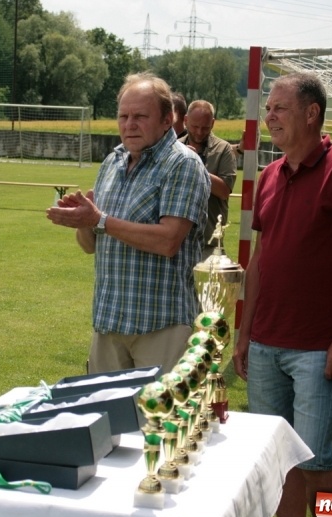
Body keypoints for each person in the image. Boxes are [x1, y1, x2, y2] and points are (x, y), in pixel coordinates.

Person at [232, 72, 332, 517]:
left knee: (318, 462)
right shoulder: (270, 176)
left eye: (280, 108)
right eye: (268, 109)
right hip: (265, 345)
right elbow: (260, 262)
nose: (269, 117)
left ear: (312, 113)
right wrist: (244, 333)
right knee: (277, 461)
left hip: (319, 348)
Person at [46, 72, 209, 374]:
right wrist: (82, 221)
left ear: (167, 120)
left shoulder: (182, 164)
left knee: (161, 408)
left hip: (162, 326)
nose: (129, 124)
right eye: (123, 116)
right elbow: (90, 246)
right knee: (105, 408)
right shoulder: (113, 162)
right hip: (109, 323)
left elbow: (168, 240)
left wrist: (99, 219)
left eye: (140, 116)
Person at [178, 100, 237, 257]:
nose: (199, 132)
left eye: (205, 128)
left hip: (208, 244)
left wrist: (195, 163)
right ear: (185, 121)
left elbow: (224, 191)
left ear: (213, 123)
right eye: (195, 126)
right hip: (176, 242)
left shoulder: (223, 149)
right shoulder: (174, 148)